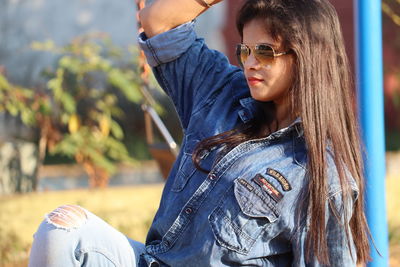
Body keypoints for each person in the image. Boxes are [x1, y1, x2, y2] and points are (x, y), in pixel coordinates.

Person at [28, 0, 371, 266]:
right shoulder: (220, 90)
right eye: (245, 50)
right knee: (62, 231)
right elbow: (158, 20)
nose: (250, 62)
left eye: (265, 51)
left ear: (307, 57)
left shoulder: (324, 177)